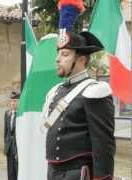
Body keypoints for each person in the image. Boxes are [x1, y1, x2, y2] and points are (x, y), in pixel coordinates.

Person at [43, 31, 115, 180]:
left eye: (65, 54)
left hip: (79, 173)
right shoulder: (55, 91)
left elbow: (103, 144)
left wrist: (103, 178)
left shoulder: (95, 91)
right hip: (53, 172)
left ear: (81, 59)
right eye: (58, 54)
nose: (57, 59)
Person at [4, 91, 19, 180]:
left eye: (15, 101)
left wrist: (19, 150)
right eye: (12, 101)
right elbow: (6, 131)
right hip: (9, 147)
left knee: (17, 170)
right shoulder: (7, 113)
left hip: (17, 148)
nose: (13, 103)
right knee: (10, 172)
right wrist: (6, 145)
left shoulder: (21, 114)